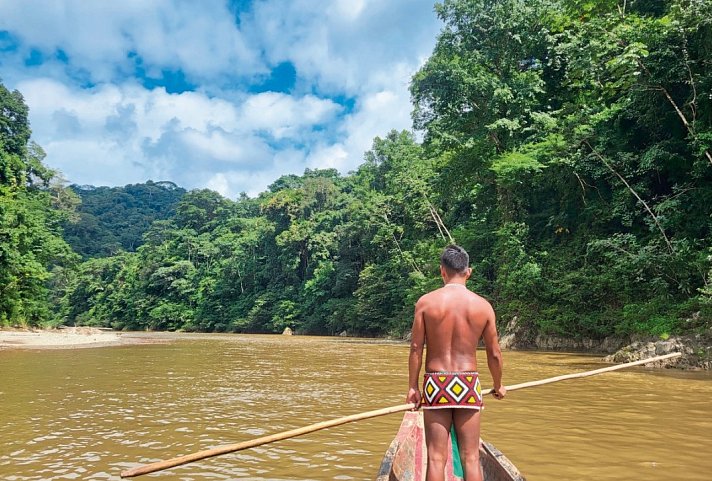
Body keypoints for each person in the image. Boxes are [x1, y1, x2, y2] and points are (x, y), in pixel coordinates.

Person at [406, 244, 506, 481]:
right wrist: (499, 384)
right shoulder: (483, 306)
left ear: (442, 271)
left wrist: (413, 387)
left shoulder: (426, 303)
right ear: (468, 272)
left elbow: (415, 348)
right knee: (470, 457)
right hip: (468, 384)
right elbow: (494, 353)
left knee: (436, 458)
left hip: (436, 384)